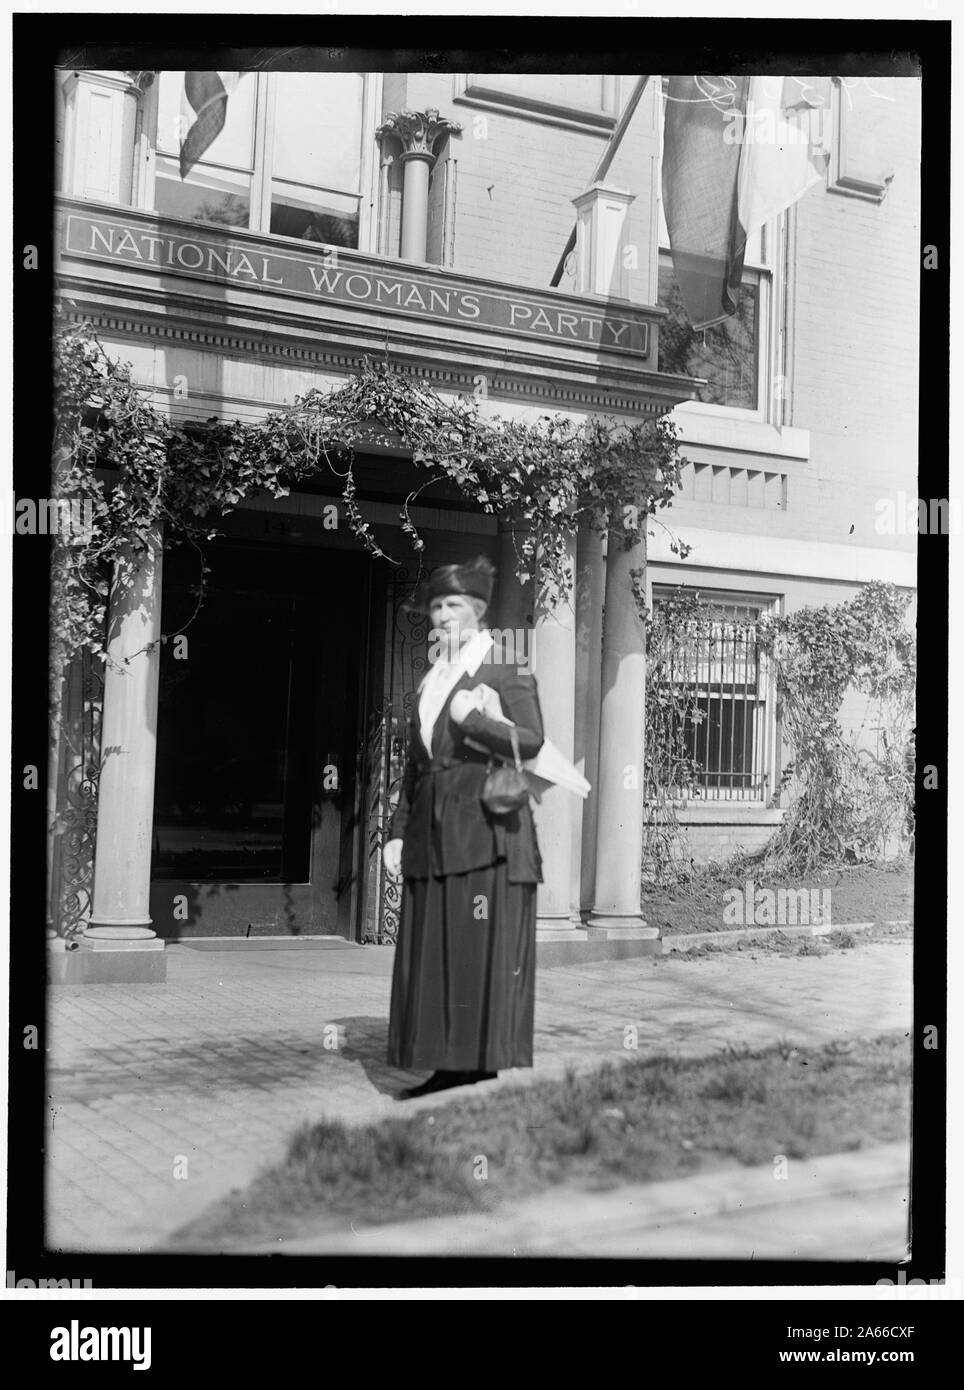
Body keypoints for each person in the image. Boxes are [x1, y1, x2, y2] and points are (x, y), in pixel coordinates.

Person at [383, 556, 545, 1098]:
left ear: (476, 610)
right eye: (434, 606)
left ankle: (473, 1063)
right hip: (433, 832)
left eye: (453, 604)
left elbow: (533, 742)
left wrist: (472, 720)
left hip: (485, 833)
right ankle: (448, 1059)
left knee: (473, 944)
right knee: (436, 945)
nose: (441, 615)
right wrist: (398, 829)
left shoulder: (505, 668)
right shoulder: (433, 678)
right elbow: (415, 767)